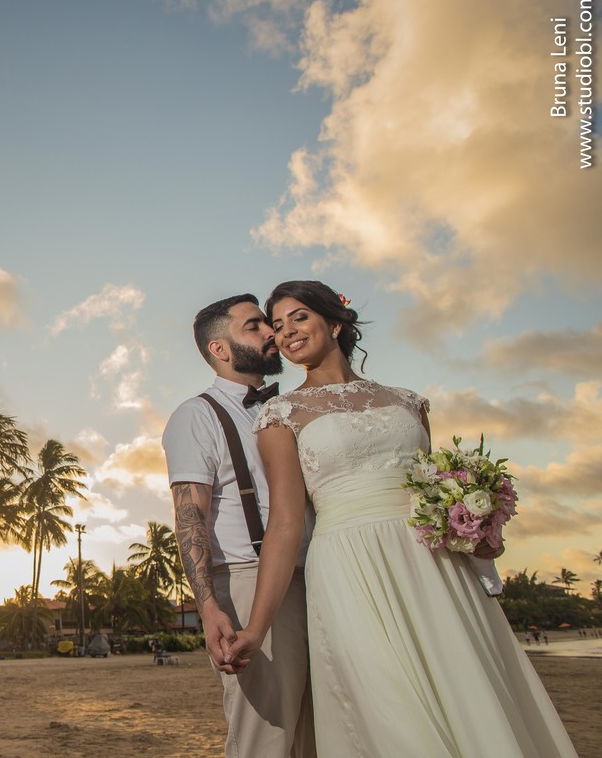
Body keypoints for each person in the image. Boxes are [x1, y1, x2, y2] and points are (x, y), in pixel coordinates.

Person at [226, 280, 578, 757]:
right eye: (278, 324)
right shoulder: (279, 415)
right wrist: (255, 628)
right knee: (386, 699)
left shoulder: (408, 403)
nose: (286, 332)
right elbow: (286, 524)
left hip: (434, 564)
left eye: (299, 317)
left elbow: (432, 488)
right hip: (350, 566)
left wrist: (477, 526)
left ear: (335, 322)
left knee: (462, 684)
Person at [162, 293, 316, 758]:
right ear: (220, 350)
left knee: (318, 731)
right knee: (264, 736)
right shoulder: (197, 416)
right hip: (249, 580)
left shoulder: (289, 408)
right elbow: (189, 517)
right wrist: (208, 607)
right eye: (255, 326)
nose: (272, 333)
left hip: (321, 575)